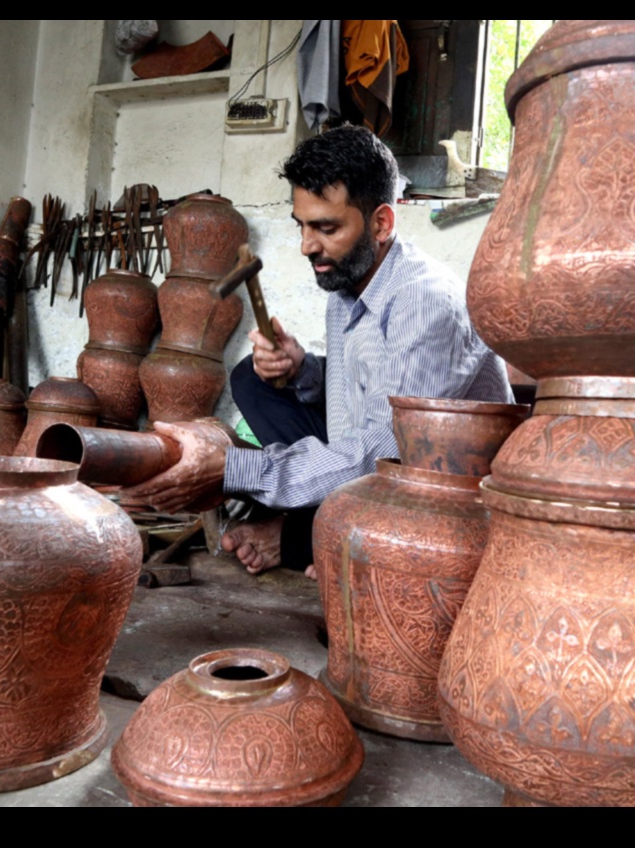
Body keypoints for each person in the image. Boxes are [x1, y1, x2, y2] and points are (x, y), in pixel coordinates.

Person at [122, 124, 512, 575]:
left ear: (381, 222)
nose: (308, 246)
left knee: (251, 471)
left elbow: (385, 455)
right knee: (252, 377)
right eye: (302, 226)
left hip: (434, 493)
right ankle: (310, 523)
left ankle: (299, 537)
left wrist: (235, 470)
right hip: (376, 454)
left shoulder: (424, 303)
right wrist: (303, 368)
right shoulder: (345, 286)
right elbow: (363, 392)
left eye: (326, 228)